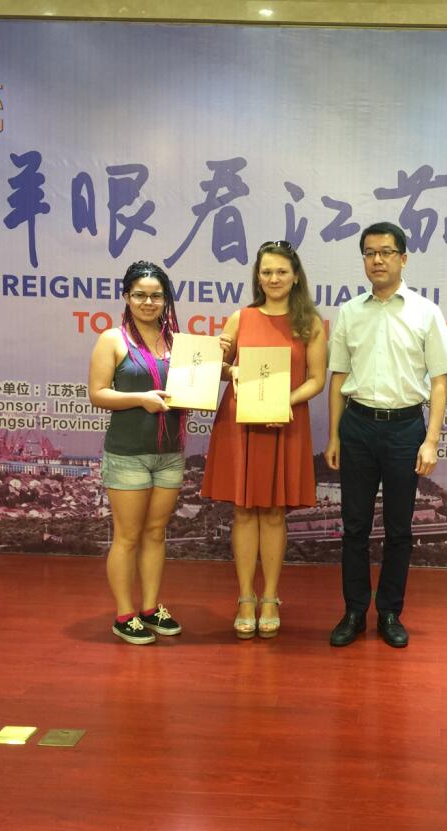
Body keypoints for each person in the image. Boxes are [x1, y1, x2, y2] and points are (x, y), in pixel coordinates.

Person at [325, 222, 447, 648]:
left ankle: (389, 612)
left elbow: (439, 382)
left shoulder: (425, 312)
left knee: (399, 528)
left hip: (405, 428)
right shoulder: (350, 312)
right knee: (354, 526)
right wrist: (334, 437)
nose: (377, 260)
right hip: (357, 425)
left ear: (403, 258)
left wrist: (431, 440)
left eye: (386, 252)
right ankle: (354, 611)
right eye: (369, 253)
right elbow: (338, 377)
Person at [202, 241, 326, 639]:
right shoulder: (241, 318)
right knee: (243, 511)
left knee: (274, 513)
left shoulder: (311, 323)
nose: (274, 278)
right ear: (258, 276)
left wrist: (283, 402)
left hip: (285, 420)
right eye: (267, 272)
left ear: (295, 277)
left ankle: (270, 597)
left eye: (281, 272)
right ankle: (245, 597)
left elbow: (317, 380)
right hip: (241, 423)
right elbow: (219, 370)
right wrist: (225, 363)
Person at [89, 260, 208, 645]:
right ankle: (124, 614)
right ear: (126, 296)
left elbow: (206, 375)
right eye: (139, 294)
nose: (148, 302)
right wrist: (141, 398)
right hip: (128, 454)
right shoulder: (113, 340)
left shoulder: (179, 343)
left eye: (156, 296)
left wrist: (229, 365)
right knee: (127, 536)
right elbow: (98, 394)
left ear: (166, 299)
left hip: (170, 453)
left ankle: (151, 607)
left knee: (156, 533)